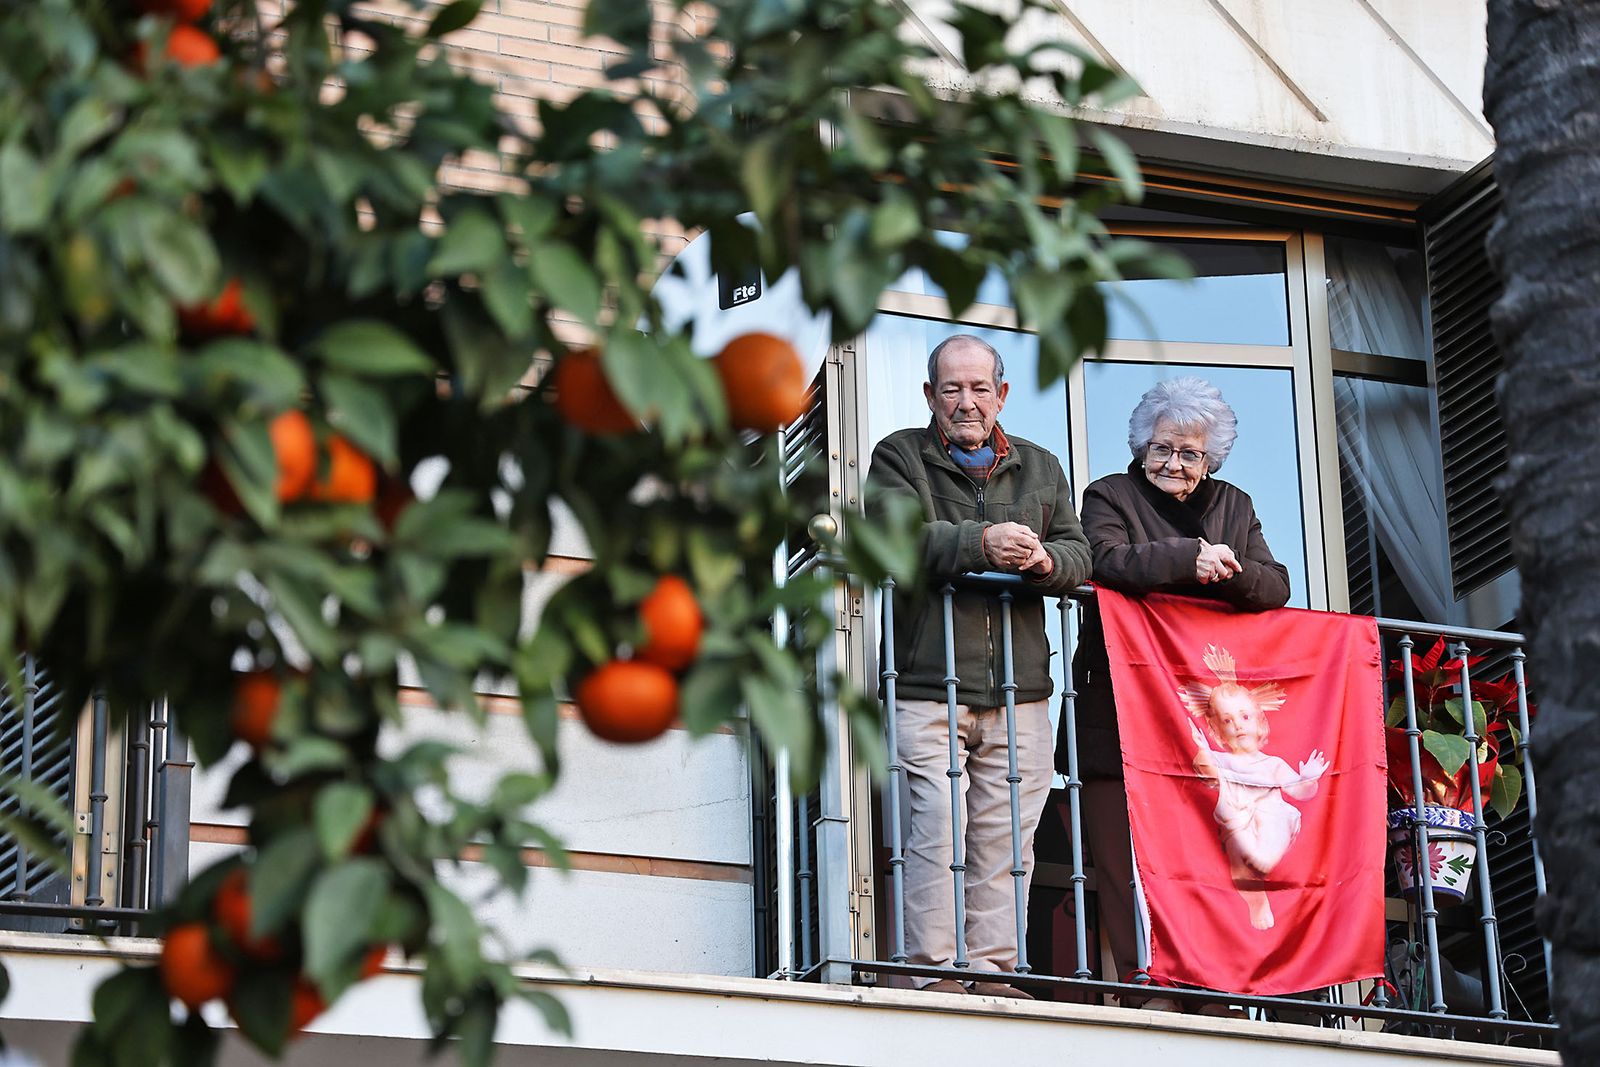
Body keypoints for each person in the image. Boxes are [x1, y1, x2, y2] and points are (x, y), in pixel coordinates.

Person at [867, 333, 1092, 998]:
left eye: (980, 388)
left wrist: (1046, 561)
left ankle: (991, 969)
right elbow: (890, 537)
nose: (967, 402)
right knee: (935, 828)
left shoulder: (1043, 466)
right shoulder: (899, 456)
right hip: (927, 681)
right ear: (930, 395)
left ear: (1003, 394)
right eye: (953, 388)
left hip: (1021, 688)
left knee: (1006, 839)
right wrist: (981, 542)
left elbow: (1081, 553)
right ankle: (934, 970)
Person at [1062, 375, 1290, 1002]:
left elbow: (1276, 585)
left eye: (1190, 453)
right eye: (1162, 448)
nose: (1174, 463)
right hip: (1117, 705)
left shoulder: (1235, 506)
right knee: (1123, 856)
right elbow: (1107, 561)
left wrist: (1231, 572)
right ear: (1141, 447)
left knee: (1203, 854)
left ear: (1210, 459)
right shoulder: (1107, 494)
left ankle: (1209, 984)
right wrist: (1189, 559)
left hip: (1204, 715)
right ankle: (1143, 985)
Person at [1179, 644, 1327, 931]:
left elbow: (1299, 792)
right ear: (1217, 731)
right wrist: (1201, 751)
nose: (1237, 726)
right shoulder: (1220, 759)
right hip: (1236, 822)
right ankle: (1255, 901)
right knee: (1238, 859)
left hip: (1272, 819)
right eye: (1227, 720)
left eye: (1244, 717)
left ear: (1260, 723)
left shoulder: (1272, 764)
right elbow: (1206, 774)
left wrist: (1309, 777)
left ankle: (1262, 865)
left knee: (1266, 838)